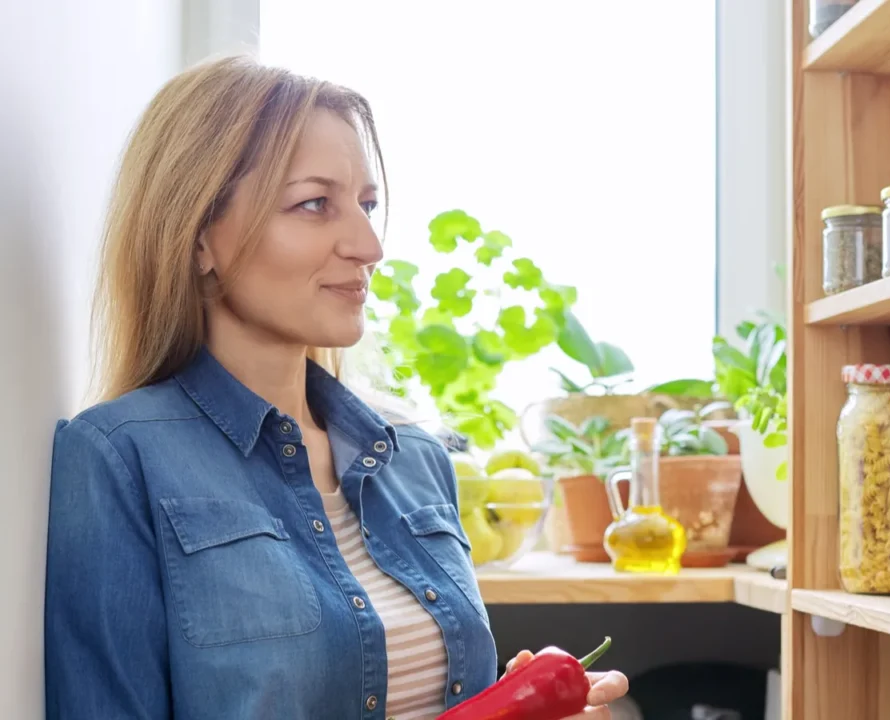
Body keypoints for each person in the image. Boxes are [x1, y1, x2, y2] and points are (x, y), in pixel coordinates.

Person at [44, 55, 627, 720]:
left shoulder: (416, 460)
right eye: (315, 204)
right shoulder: (119, 460)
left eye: (367, 204)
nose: (368, 244)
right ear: (200, 235)